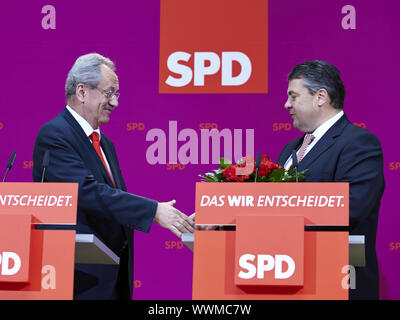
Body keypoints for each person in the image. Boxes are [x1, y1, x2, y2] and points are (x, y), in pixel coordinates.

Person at [32, 53, 195, 300]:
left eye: (116, 95)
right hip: (77, 279)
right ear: (82, 91)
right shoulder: (55, 135)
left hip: (113, 279)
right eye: (109, 93)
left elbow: (113, 197)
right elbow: (86, 192)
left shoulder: (104, 142)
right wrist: (153, 211)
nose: (115, 103)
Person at [277, 60, 385, 300]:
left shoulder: (358, 143)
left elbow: (350, 207)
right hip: (282, 277)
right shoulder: (289, 149)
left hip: (338, 282)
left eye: (293, 96)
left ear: (321, 97)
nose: (287, 104)